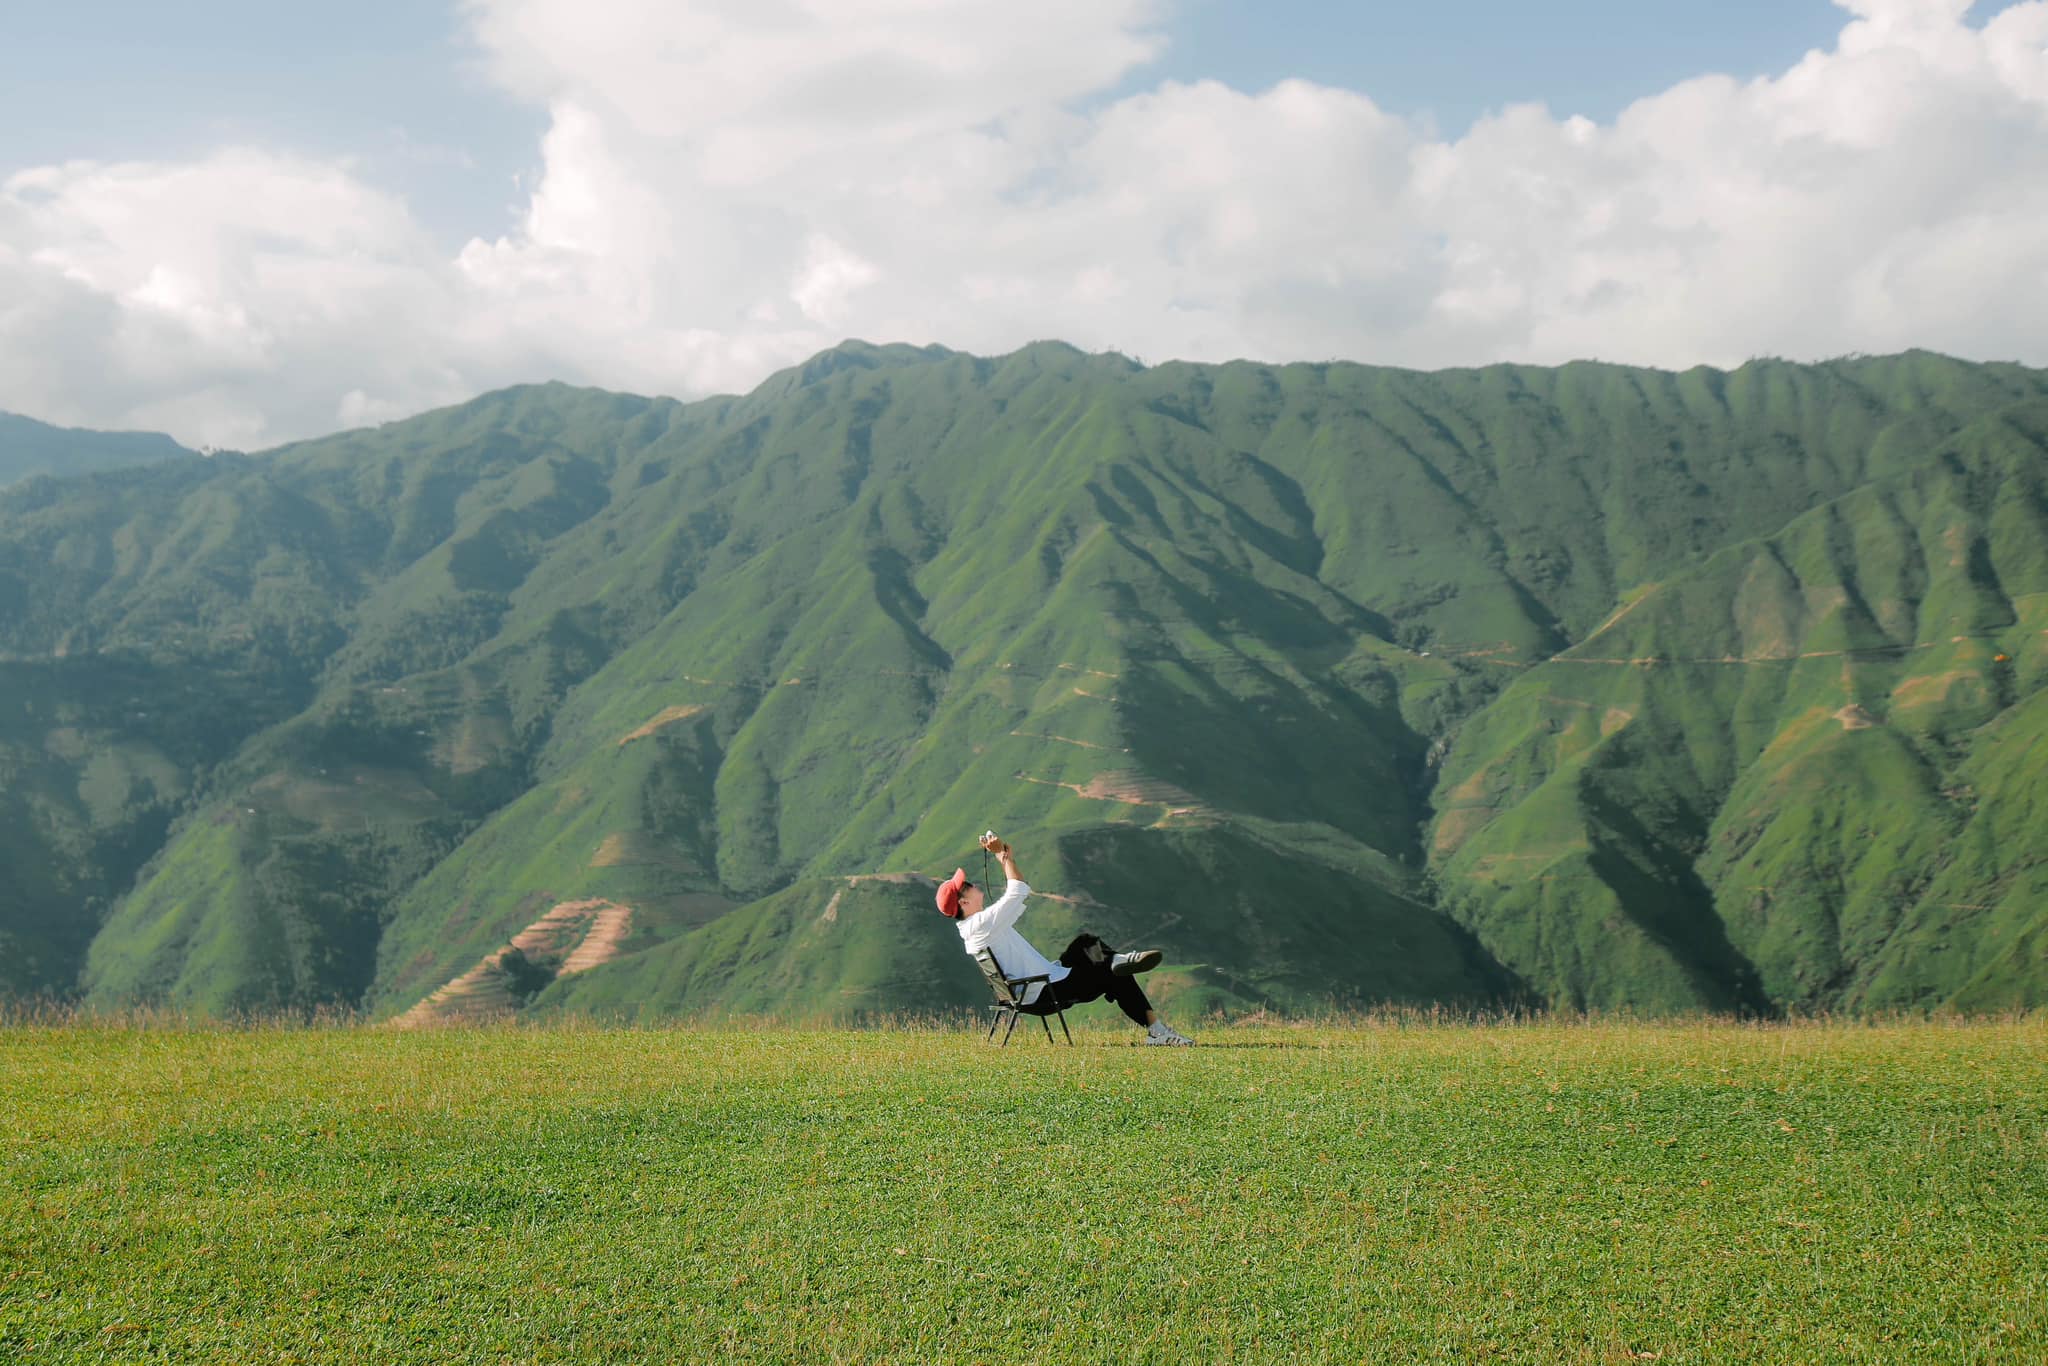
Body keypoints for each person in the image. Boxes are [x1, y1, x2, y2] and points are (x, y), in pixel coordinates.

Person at [938, 832, 1194, 1045]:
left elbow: (1015, 898)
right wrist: (1003, 857)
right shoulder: (982, 924)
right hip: (1045, 992)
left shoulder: (972, 929)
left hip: (1033, 988)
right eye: (967, 885)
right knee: (1113, 973)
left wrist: (1003, 858)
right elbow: (1018, 889)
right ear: (963, 901)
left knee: (1084, 943)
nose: (972, 884)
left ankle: (1120, 964)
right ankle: (1157, 1030)